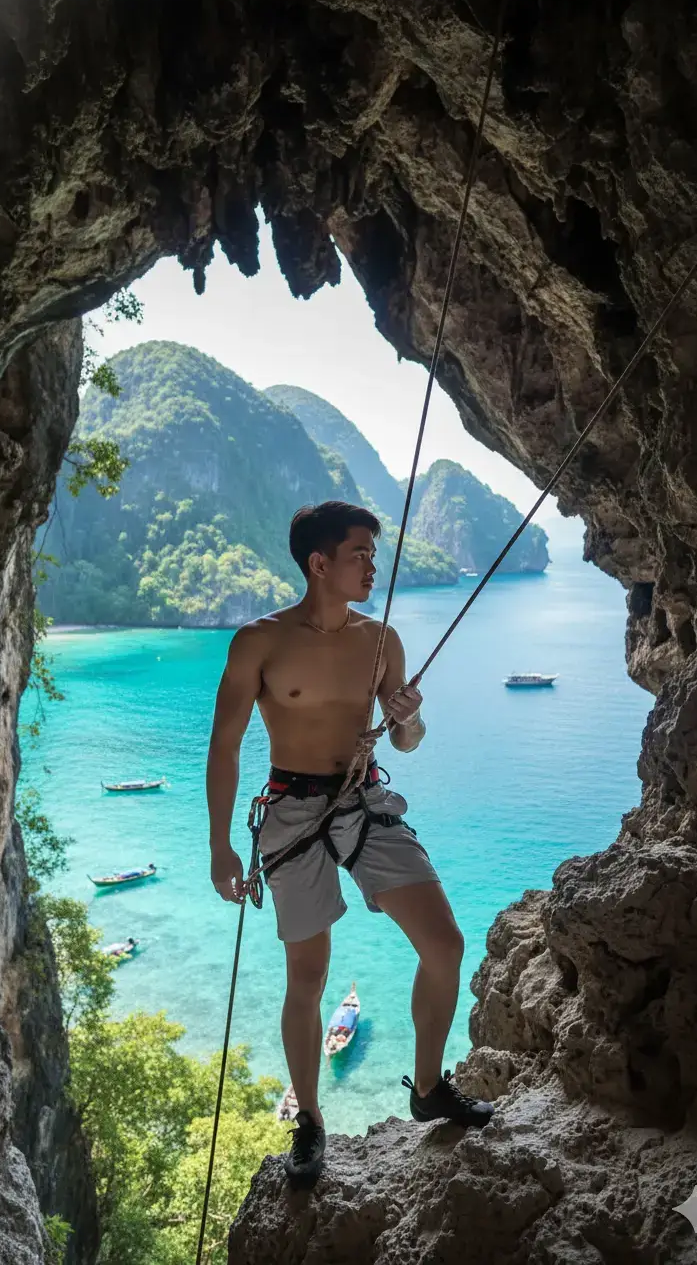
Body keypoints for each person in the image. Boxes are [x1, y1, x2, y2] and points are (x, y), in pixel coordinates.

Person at [207, 501, 493, 1189]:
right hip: (292, 810)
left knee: (445, 944)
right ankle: (308, 1118)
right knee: (307, 976)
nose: (373, 563)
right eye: (361, 552)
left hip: (361, 801)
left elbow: (407, 740)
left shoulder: (381, 639)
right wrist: (220, 846)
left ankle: (428, 1088)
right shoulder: (260, 641)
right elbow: (223, 745)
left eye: (373, 552)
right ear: (320, 563)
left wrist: (409, 717)